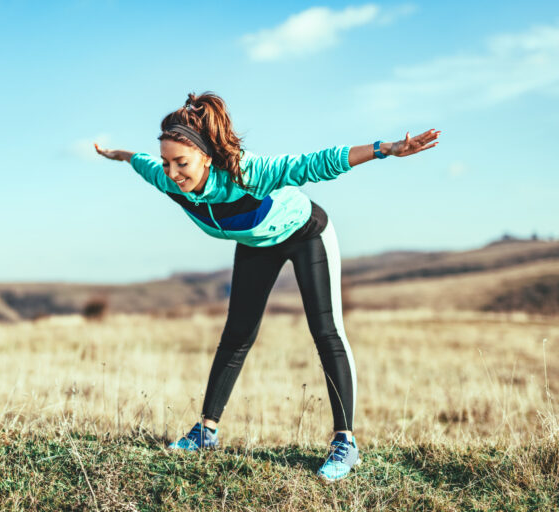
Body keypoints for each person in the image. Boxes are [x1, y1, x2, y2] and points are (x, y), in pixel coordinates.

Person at [95, 91, 439, 482]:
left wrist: (386, 148)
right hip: (258, 243)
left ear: (207, 156)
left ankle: (345, 443)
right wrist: (117, 154)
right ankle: (206, 432)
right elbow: (138, 162)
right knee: (237, 334)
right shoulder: (168, 181)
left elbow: (315, 163)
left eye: (182, 163)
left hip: (305, 233)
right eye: (167, 162)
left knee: (326, 332)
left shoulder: (248, 173)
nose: (173, 173)